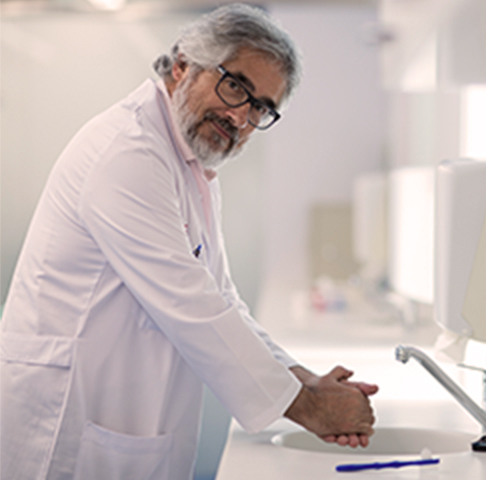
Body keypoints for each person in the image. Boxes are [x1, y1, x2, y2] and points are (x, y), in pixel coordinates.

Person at [0, 4, 378, 479]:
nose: (242, 117)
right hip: (65, 421)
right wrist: (309, 408)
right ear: (182, 66)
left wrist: (300, 378)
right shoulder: (129, 153)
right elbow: (192, 306)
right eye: (236, 85)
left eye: (261, 107)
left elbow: (221, 299)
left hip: (121, 416)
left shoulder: (191, 165)